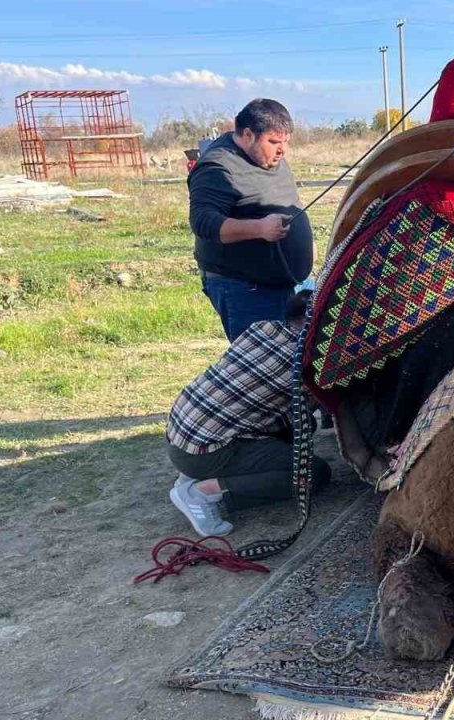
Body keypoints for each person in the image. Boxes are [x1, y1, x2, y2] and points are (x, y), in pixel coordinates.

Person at [165, 287, 331, 536]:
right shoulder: (302, 367)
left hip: (180, 434)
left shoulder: (261, 328)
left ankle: (195, 476)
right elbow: (327, 410)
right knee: (314, 473)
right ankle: (206, 493)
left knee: (297, 429)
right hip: (205, 452)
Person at [189, 98, 313, 342]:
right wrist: (260, 229)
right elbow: (203, 222)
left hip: (291, 283)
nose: (282, 150)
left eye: (286, 142)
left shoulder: (271, 159)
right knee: (267, 365)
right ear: (247, 134)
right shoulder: (218, 167)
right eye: (274, 142)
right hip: (247, 290)